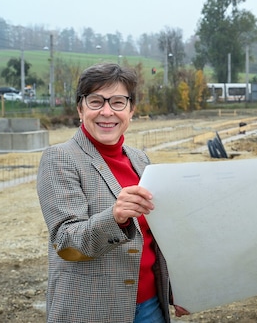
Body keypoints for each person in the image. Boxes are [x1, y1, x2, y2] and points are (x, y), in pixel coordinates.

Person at [37, 63, 189, 323]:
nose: (107, 111)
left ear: (131, 110)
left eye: (118, 102)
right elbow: (66, 241)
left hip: (150, 307)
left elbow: (154, 238)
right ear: (80, 108)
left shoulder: (140, 160)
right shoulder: (60, 159)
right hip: (93, 310)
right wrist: (114, 217)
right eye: (96, 101)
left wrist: (176, 288)